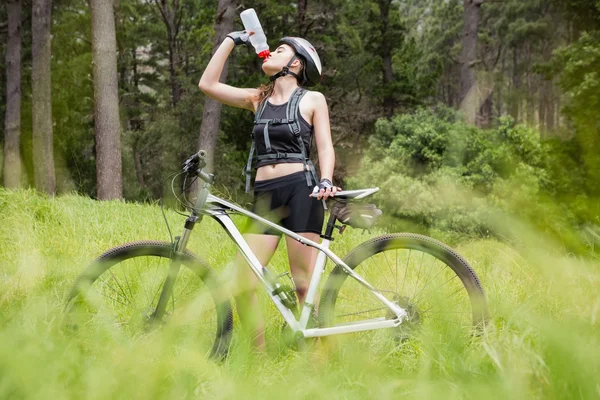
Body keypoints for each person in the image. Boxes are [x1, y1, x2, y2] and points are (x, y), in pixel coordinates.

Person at [198, 31, 339, 350]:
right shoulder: (257, 99)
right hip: (266, 195)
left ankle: (320, 362)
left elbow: (325, 147)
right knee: (243, 284)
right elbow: (208, 85)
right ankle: (258, 360)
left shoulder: (312, 99)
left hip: (302, 191)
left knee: (303, 285)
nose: (270, 52)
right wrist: (231, 40)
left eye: (280, 50)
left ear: (296, 63)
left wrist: (326, 179)